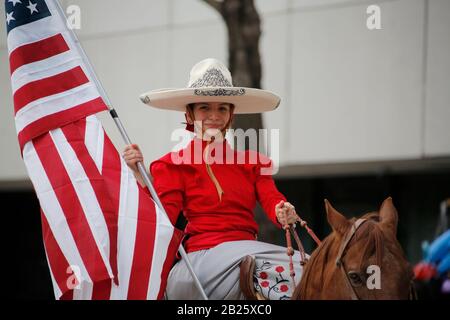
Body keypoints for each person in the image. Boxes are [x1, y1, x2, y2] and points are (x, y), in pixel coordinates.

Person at [123, 58, 304, 300]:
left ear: (231, 114)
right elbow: (161, 222)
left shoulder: (254, 162)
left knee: (311, 267)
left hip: (248, 254)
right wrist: (140, 176)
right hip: (199, 262)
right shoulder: (172, 165)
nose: (214, 116)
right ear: (189, 114)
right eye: (204, 107)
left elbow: (273, 199)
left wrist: (283, 210)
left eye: (222, 108)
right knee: (274, 270)